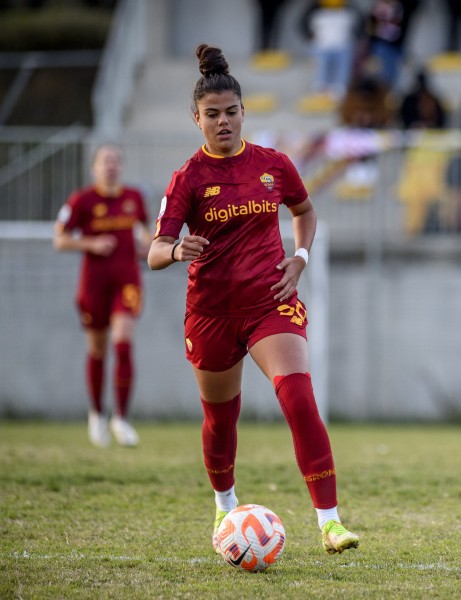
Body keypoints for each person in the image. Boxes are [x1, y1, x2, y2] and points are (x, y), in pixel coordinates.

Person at [147, 44, 360, 555]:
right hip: (211, 313)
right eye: (212, 115)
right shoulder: (188, 179)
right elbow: (153, 251)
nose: (223, 122)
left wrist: (301, 257)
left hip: (270, 302)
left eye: (232, 112)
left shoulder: (273, 165)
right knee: (221, 418)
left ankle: (330, 523)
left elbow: (304, 212)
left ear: (245, 113)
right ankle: (225, 507)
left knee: (299, 397)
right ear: (196, 118)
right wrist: (177, 249)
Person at [54, 143, 151, 448]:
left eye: (115, 161)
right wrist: (91, 244)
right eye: (105, 161)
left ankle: (121, 419)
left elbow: (147, 233)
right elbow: (60, 239)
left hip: (127, 281)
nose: (111, 166)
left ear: (120, 167)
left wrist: (147, 246)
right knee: (98, 350)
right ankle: (97, 414)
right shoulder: (82, 200)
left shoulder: (134, 198)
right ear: (94, 167)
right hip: (94, 284)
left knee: (123, 345)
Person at [298, 0, 362, 100]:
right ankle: (320, 89)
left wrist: (356, 36)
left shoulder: (349, 9)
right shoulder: (315, 9)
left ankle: (340, 89)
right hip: (322, 45)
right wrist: (309, 36)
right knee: (321, 68)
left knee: (342, 68)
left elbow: (360, 23)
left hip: (343, 45)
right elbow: (303, 23)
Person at [366, 0, 420, 90]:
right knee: (381, 74)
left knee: (397, 74)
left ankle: (389, 92)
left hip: (397, 45)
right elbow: (372, 23)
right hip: (381, 44)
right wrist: (371, 43)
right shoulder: (380, 5)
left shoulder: (403, 5)